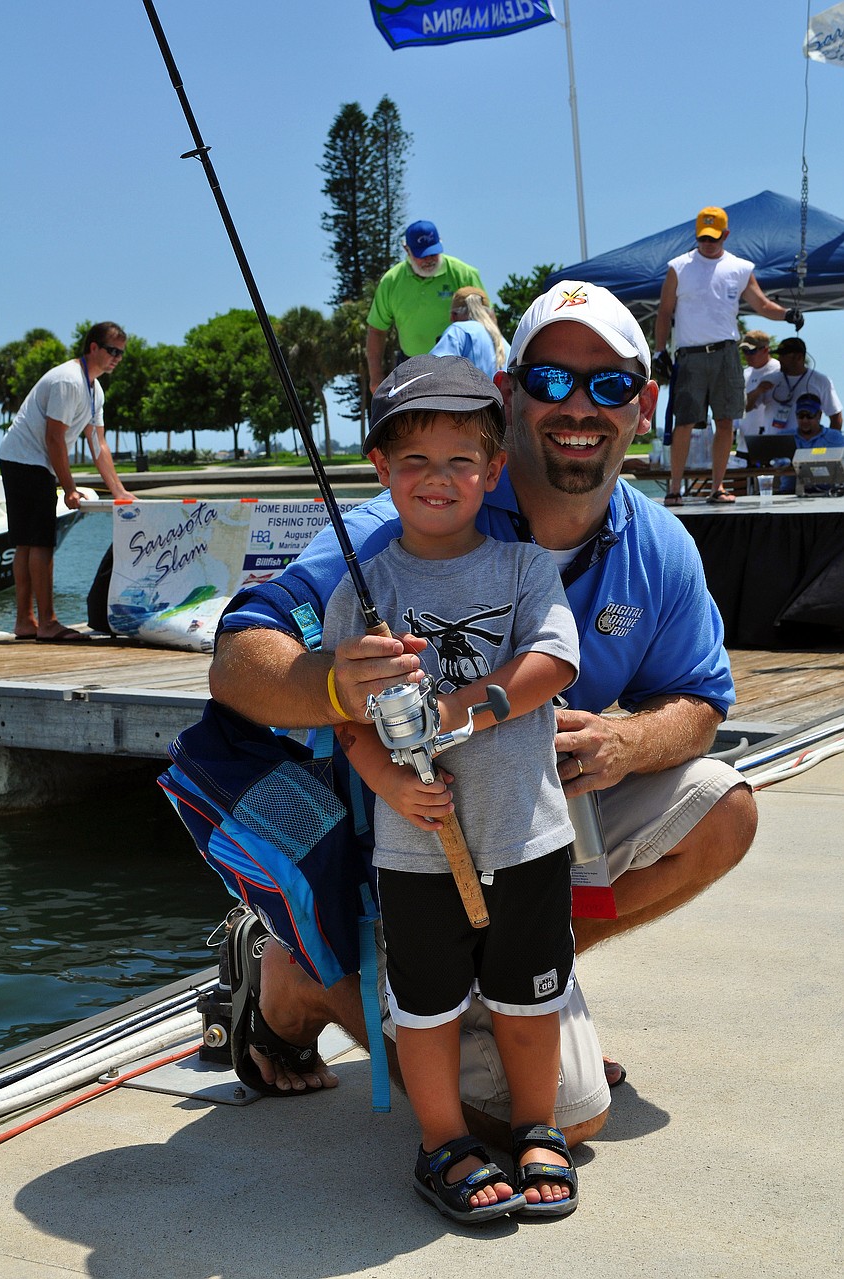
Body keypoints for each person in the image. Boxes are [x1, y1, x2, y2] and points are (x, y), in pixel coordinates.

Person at [209, 279, 758, 1153]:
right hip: (406, 841)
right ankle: (301, 978)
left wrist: (629, 739)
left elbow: (702, 704)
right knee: (567, 1120)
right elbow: (238, 660)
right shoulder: (418, 513)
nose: (580, 406)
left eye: (610, 384)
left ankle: (517, 984)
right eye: (550, 381)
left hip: (526, 832)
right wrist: (335, 684)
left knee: (726, 806)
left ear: (643, 406)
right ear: (507, 396)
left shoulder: (660, 546)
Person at [321, 355, 580, 1220]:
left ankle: (537, 1120)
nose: (438, 478)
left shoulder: (523, 568)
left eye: (461, 459)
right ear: (381, 472)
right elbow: (348, 722)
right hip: (414, 847)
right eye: (414, 461)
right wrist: (392, 786)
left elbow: (551, 661)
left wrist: (460, 711)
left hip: (528, 836)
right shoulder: (367, 588)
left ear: (495, 470)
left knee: (529, 992)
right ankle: (441, 1140)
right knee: (425, 1005)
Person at [654, 205, 803, 506]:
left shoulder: (739, 267)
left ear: (726, 234)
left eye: (714, 237)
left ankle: (717, 488)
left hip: (726, 352)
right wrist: (659, 351)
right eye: (703, 238)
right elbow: (665, 311)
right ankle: (673, 489)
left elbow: (761, 304)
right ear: (696, 235)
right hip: (691, 354)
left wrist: (787, 314)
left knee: (726, 421)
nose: (708, 243)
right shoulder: (679, 267)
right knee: (684, 421)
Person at [0, 322, 136, 642]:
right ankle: (46, 623)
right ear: (93, 348)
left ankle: (25, 622)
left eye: (121, 354)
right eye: (112, 351)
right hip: (26, 459)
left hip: (28, 460)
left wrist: (119, 490)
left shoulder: (94, 389)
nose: (117, 358)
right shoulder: (67, 380)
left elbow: (98, 444)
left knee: (28, 543)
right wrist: (69, 487)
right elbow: (54, 439)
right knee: (39, 541)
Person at [366, 220, 486, 392]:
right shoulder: (390, 281)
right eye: (422, 255)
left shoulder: (465, 274)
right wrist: (376, 378)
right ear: (407, 250)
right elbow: (376, 330)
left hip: (460, 366)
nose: (429, 259)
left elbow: (487, 320)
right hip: (410, 366)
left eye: (434, 252)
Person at [744, 336, 843, 435]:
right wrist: (758, 391)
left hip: (806, 445)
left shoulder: (821, 381)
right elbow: (746, 407)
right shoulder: (769, 379)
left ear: (799, 357)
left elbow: (835, 417)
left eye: (783, 356)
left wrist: (830, 443)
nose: (779, 359)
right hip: (774, 444)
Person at [429, 286, 510, 378]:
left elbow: (433, 371)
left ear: (454, 315)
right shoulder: (503, 343)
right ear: (488, 312)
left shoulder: (458, 331)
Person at [734, 331, 779, 451]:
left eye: (752, 351)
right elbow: (741, 407)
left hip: (769, 444)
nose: (747, 355)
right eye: (744, 351)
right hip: (744, 446)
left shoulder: (778, 370)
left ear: (765, 350)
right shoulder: (745, 373)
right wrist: (758, 391)